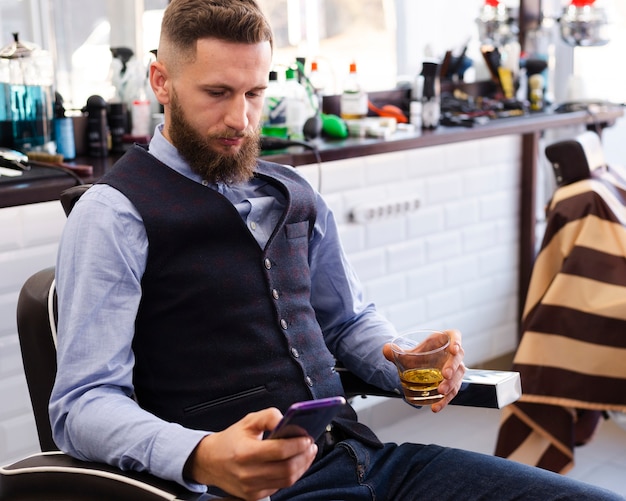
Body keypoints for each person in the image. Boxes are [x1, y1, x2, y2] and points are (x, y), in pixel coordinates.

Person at [49, 1, 622, 500]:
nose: (240, 119)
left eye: (255, 92)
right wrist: (200, 454)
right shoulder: (114, 214)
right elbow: (82, 405)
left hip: (362, 462)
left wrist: (405, 362)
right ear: (160, 80)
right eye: (217, 93)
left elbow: (348, 321)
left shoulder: (292, 193)